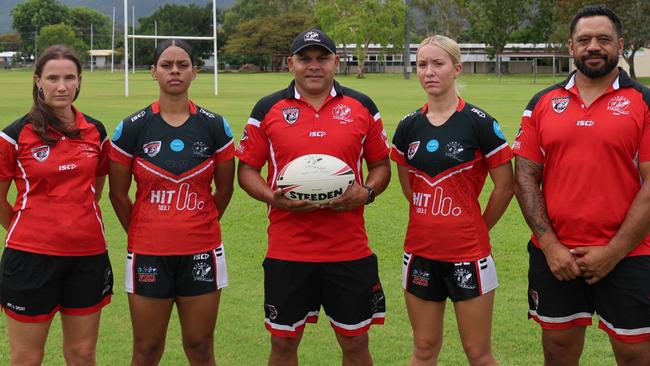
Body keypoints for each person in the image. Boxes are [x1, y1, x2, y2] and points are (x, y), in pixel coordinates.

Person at [236, 29, 391, 366]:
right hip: (288, 250)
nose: (314, 66)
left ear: (336, 62)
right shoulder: (268, 108)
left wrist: (366, 193)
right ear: (291, 63)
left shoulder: (362, 106)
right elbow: (246, 170)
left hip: (348, 250)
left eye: (322, 58)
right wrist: (272, 197)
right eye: (305, 58)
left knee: (355, 346)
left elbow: (381, 165)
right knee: (282, 346)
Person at [513, 5, 650, 365]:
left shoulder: (644, 102)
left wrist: (614, 251)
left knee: (636, 354)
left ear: (620, 44)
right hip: (556, 257)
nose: (593, 46)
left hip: (632, 255)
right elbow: (525, 175)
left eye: (603, 39)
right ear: (570, 45)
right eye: (584, 39)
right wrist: (551, 245)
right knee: (557, 351)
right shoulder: (542, 103)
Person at [109, 39, 235, 366]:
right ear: (153, 72)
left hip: (202, 251)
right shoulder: (131, 129)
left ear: (195, 72)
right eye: (167, 65)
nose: (175, 71)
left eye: (182, 65)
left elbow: (224, 190)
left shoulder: (214, 126)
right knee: (147, 350)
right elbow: (118, 195)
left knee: (200, 347)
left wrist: (198, 222)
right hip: (148, 253)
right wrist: (143, 230)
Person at [391, 35, 514, 366]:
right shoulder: (407, 127)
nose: (429, 72)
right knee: (424, 349)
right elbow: (410, 187)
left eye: (438, 64)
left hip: (468, 255)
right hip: (420, 253)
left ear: (456, 69)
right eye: (421, 65)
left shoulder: (480, 122)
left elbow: (505, 186)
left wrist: (478, 225)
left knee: (478, 353)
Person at [0, 45, 113, 365]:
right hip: (29, 259)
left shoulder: (96, 131)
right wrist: (28, 227)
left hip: (87, 256)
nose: (61, 86)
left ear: (79, 81)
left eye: (69, 78)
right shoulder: (14, 134)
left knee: (81, 354)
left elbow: (96, 189)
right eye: (52, 78)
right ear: (38, 81)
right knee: (26, 357)